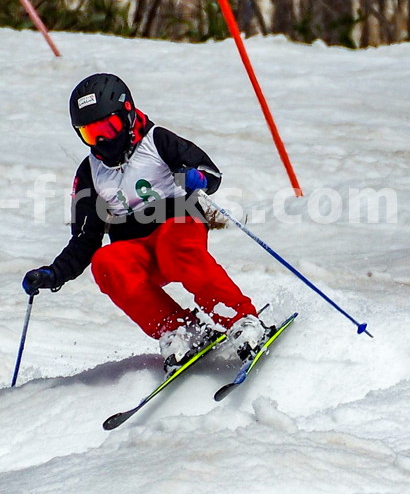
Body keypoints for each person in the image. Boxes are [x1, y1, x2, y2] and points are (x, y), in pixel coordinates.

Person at [22, 73, 268, 370]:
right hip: (138, 250)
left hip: (179, 224)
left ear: (127, 115)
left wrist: (195, 177)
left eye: (108, 128)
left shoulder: (157, 142)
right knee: (106, 263)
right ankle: (179, 330)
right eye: (90, 134)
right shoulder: (90, 172)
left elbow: (210, 174)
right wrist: (54, 273)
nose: (102, 140)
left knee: (173, 244)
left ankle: (240, 319)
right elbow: (85, 239)